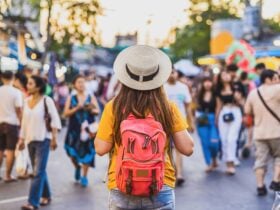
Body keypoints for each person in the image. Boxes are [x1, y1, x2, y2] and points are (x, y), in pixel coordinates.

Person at [95, 45, 194, 210]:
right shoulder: (167, 107)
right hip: (160, 183)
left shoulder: (114, 107)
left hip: (122, 183)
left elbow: (100, 148)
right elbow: (187, 148)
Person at [18, 75, 61, 210]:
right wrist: (22, 139)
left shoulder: (47, 101)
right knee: (40, 171)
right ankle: (47, 195)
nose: (27, 86)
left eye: (30, 84)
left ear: (38, 87)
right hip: (30, 140)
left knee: (38, 171)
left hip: (44, 139)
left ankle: (32, 202)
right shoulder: (26, 101)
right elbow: (24, 123)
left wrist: (54, 139)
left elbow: (55, 120)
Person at [244, 70, 280, 196]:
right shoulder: (278, 89)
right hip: (277, 132)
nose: (277, 80)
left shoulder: (254, 93)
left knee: (260, 160)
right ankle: (276, 180)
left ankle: (260, 186)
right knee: (279, 158)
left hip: (259, 133)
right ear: (267, 79)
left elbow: (247, 110)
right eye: (275, 78)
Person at [63, 75, 99, 187]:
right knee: (71, 152)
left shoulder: (90, 96)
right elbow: (65, 113)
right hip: (74, 130)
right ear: (74, 85)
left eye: (83, 82)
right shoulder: (71, 97)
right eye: (79, 82)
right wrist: (76, 108)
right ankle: (77, 167)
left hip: (88, 130)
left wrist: (90, 109)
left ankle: (84, 176)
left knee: (87, 152)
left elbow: (97, 111)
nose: (81, 84)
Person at [164, 68, 194, 186]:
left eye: (173, 71)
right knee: (167, 149)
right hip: (165, 124)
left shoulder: (183, 87)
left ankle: (179, 174)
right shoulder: (162, 88)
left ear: (177, 73)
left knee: (179, 150)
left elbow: (188, 106)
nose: (172, 74)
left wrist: (191, 122)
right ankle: (172, 171)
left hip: (180, 124)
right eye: (169, 72)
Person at [215, 70, 242, 175]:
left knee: (232, 139)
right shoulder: (218, 90)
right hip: (224, 113)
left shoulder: (237, 87)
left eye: (227, 74)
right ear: (220, 78)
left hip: (235, 112)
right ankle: (228, 163)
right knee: (224, 139)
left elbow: (242, 103)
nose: (226, 76)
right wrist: (216, 119)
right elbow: (218, 105)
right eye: (223, 75)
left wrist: (238, 99)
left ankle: (231, 163)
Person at [0, 70, 23, 182]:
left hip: (0, 123)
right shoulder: (16, 92)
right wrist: (22, 124)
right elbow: (18, 110)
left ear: (2, 78)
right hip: (12, 123)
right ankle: (7, 175)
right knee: (10, 150)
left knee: (0, 149)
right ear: (13, 78)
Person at [196, 77, 219, 172]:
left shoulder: (216, 94)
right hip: (202, 119)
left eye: (209, 81)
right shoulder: (199, 94)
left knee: (214, 142)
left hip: (213, 118)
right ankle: (209, 163)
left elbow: (218, 107)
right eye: (205, 81)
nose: (207, 83)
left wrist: (216, 120)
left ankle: (214, 158)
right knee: (205, 143)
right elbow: (194, 106)